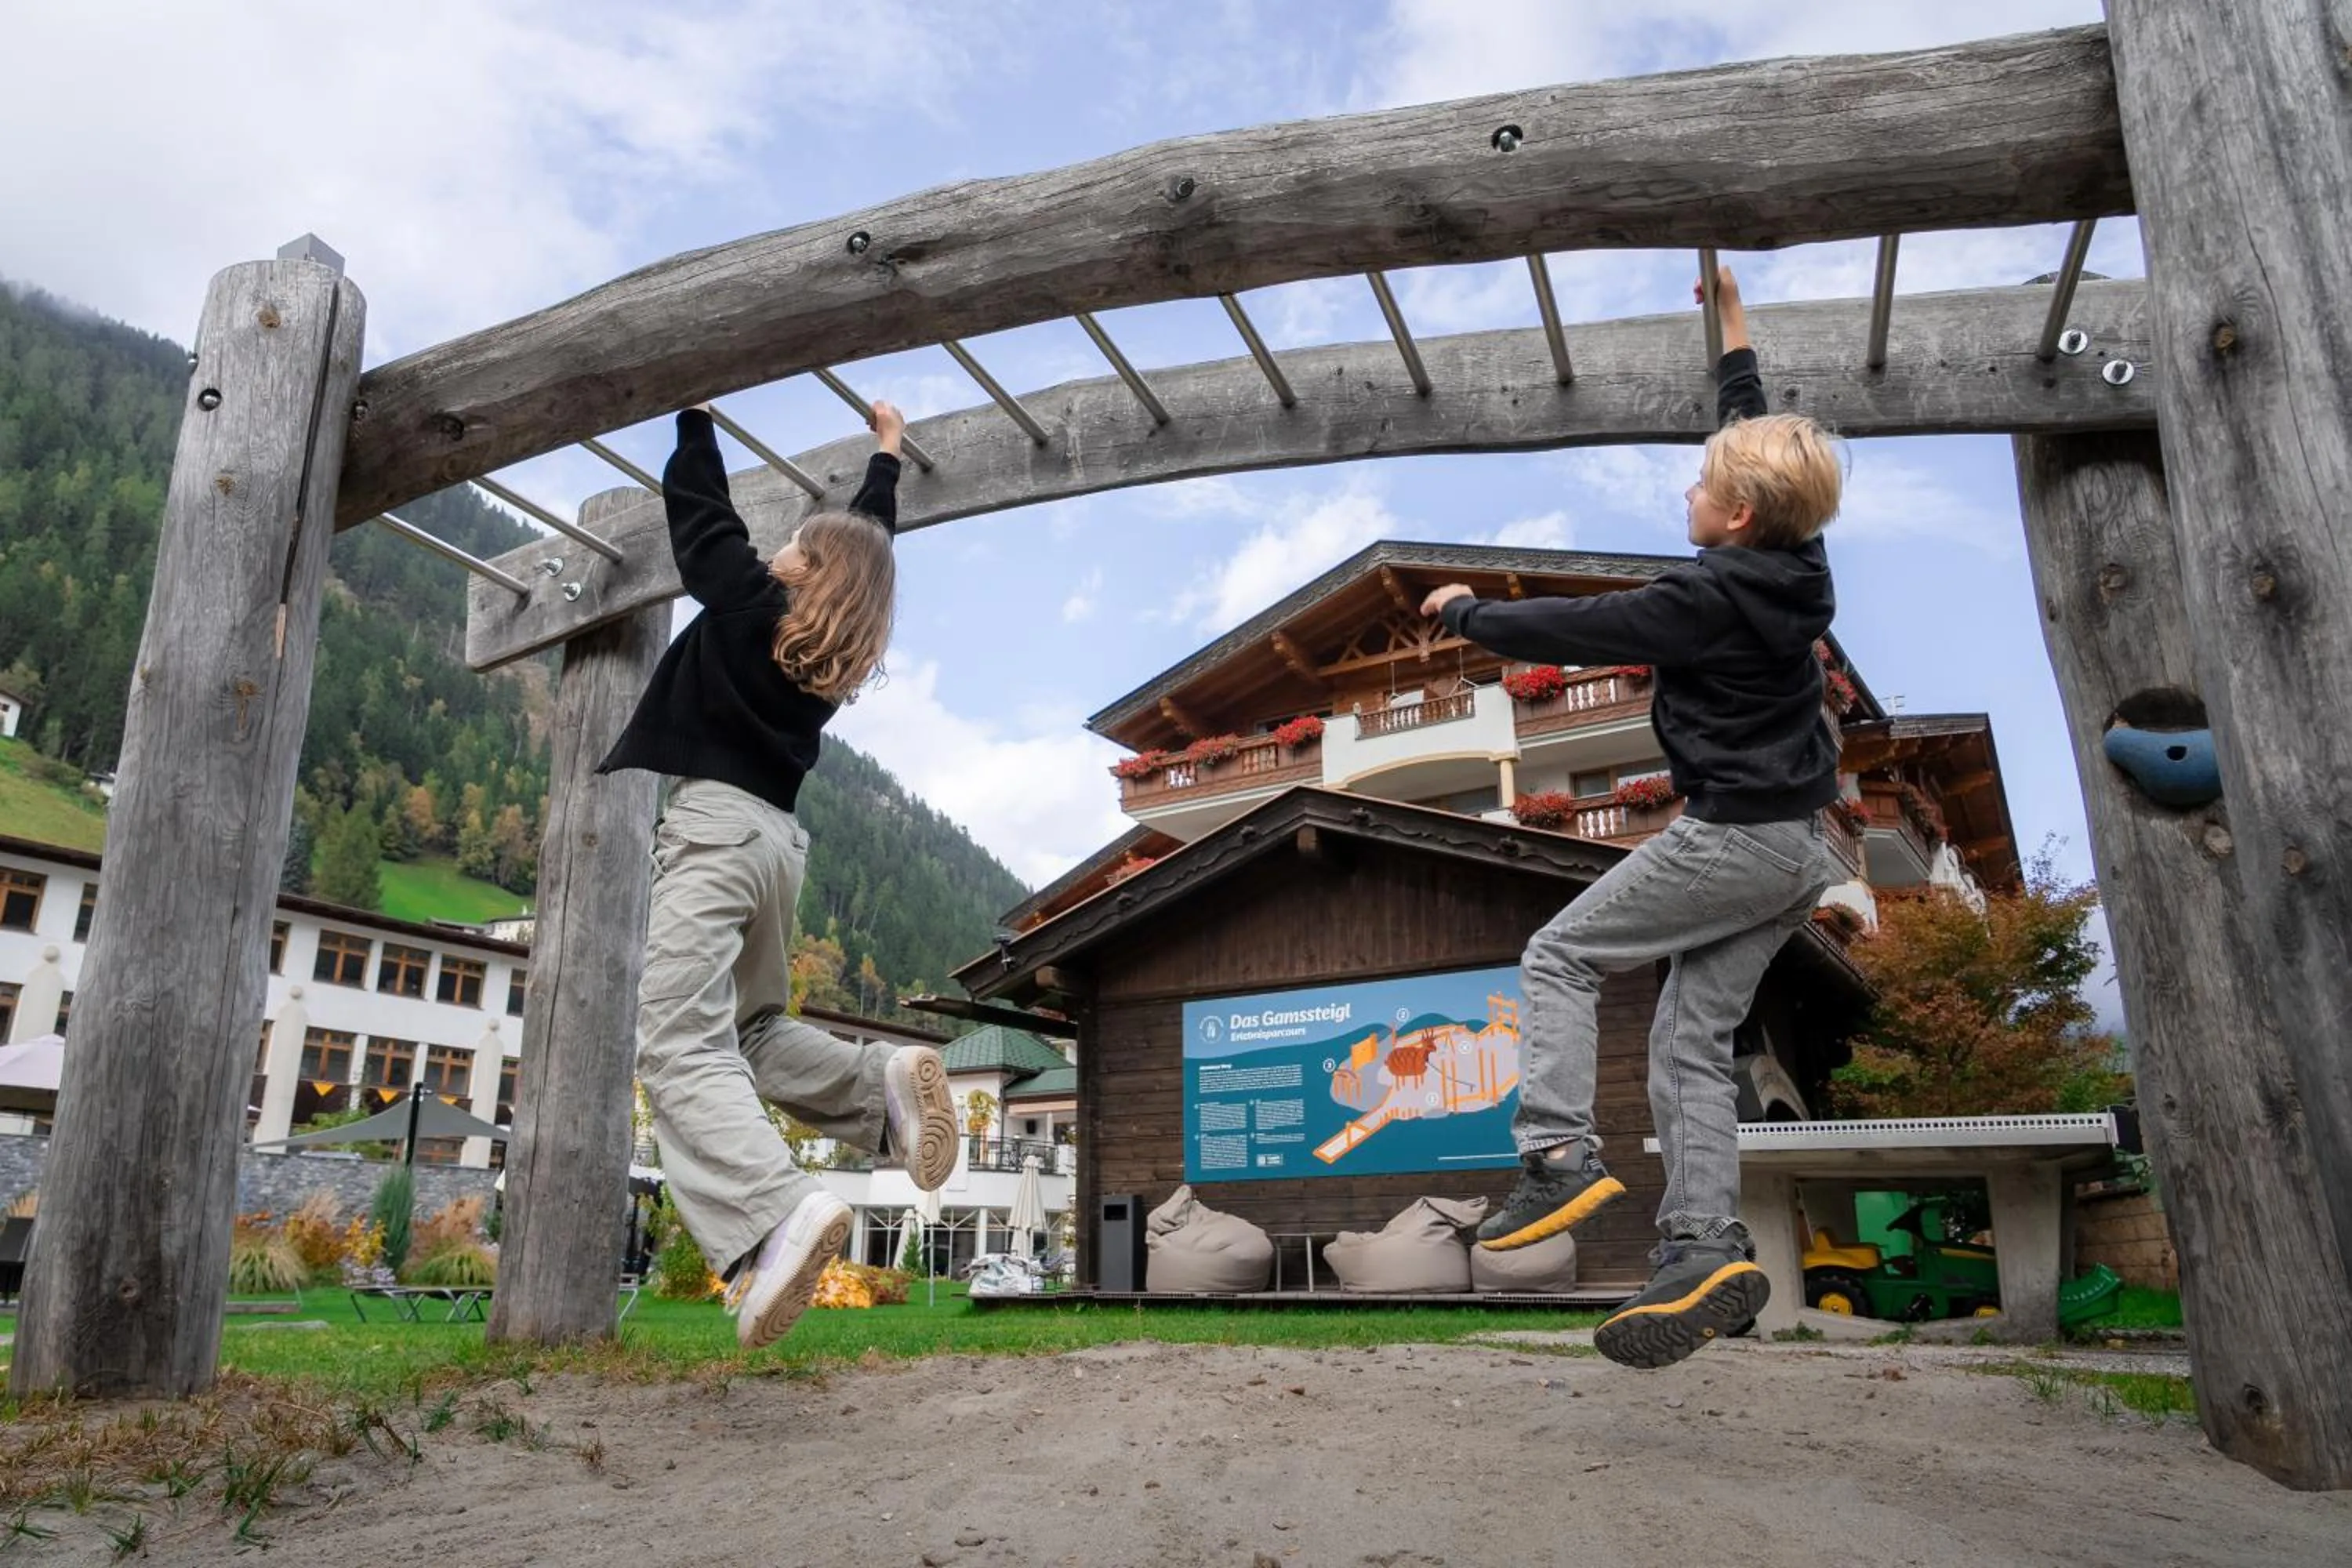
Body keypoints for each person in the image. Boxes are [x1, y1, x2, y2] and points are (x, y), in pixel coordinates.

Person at [1419, 265, 1844, 1369]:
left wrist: (1466, 608)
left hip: (1736, 837)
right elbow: (1751, 423)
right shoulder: (1799, 565)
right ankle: (1702, 1244)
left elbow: (1590, 625)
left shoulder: (1704, 598)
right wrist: (1735, 334)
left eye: (1702, 488)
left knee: (1558, 955)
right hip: (1803, 850)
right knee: (1690, 1037)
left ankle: (1556, 1153)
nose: (1688, 496)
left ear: (1736, 516)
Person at [599, 397, 957, 1349]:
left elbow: (701, 517)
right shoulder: (829, 659)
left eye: (791, 545)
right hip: (778, 847)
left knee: (677, 1041)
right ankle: (877, 1082)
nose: (775, 551)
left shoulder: (750, 601)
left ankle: (770, 1215)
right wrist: (886, 455)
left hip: (715, 831)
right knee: (751, 1030)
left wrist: (692, 419)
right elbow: (869, 537)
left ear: (803, 569)